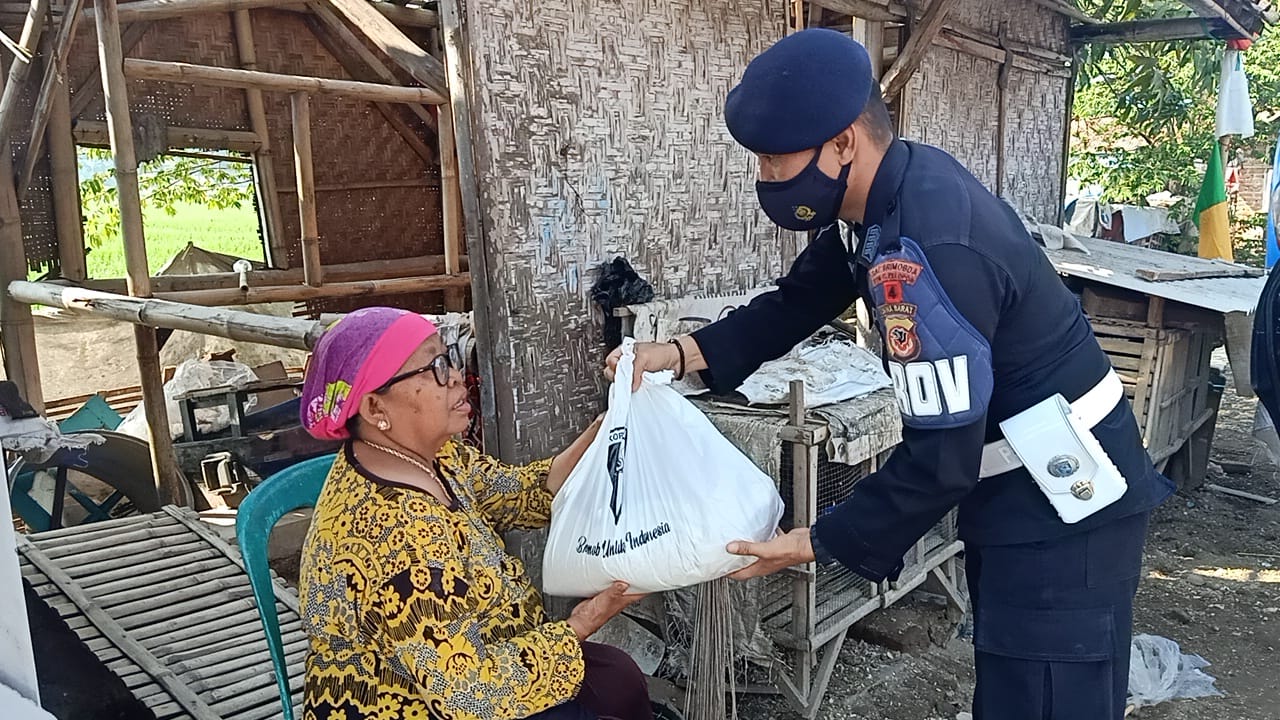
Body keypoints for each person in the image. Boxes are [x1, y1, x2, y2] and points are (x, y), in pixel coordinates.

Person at [606, 29, 1174, 720]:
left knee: (1046, 694)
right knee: (1013, 680)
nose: (767, 180)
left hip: (1064, 500)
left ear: (845, 141)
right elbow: (799, 300)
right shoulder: (883, 195)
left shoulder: (924, 247)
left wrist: (817, 541)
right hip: (1020, 481)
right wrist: (682, 354)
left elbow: (940, 461)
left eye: (777, 161)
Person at [297, 307, 655, 720]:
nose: (453, 376)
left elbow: (525, 493)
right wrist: (583, 621)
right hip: (420, 703)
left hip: (485, 657)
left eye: (446, 357)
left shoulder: (435, 456)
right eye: (433, 368)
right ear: (377, 408)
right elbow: (468, 697)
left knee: (619, 679)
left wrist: (609, 426)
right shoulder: (396, 536)